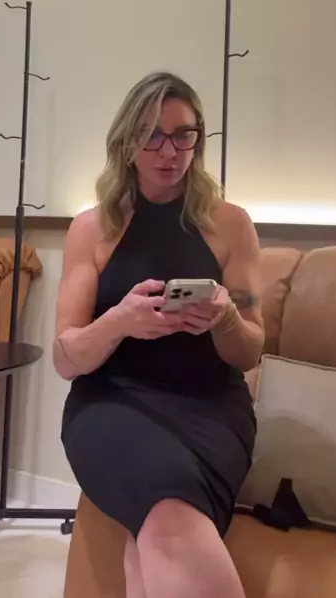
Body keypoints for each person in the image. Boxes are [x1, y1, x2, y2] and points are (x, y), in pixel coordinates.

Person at [54, 71, 265, 598]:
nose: (169, 151)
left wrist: (226, 317)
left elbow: (250, 351)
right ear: (127, 141)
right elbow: (65, 358)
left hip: (212, 409)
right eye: (151, 135)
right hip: (112, 403)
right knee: (168, 517)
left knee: (151, 540)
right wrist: (119, 322)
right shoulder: (91, 229)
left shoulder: (231, 224)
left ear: (198, 140)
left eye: (183, 135)